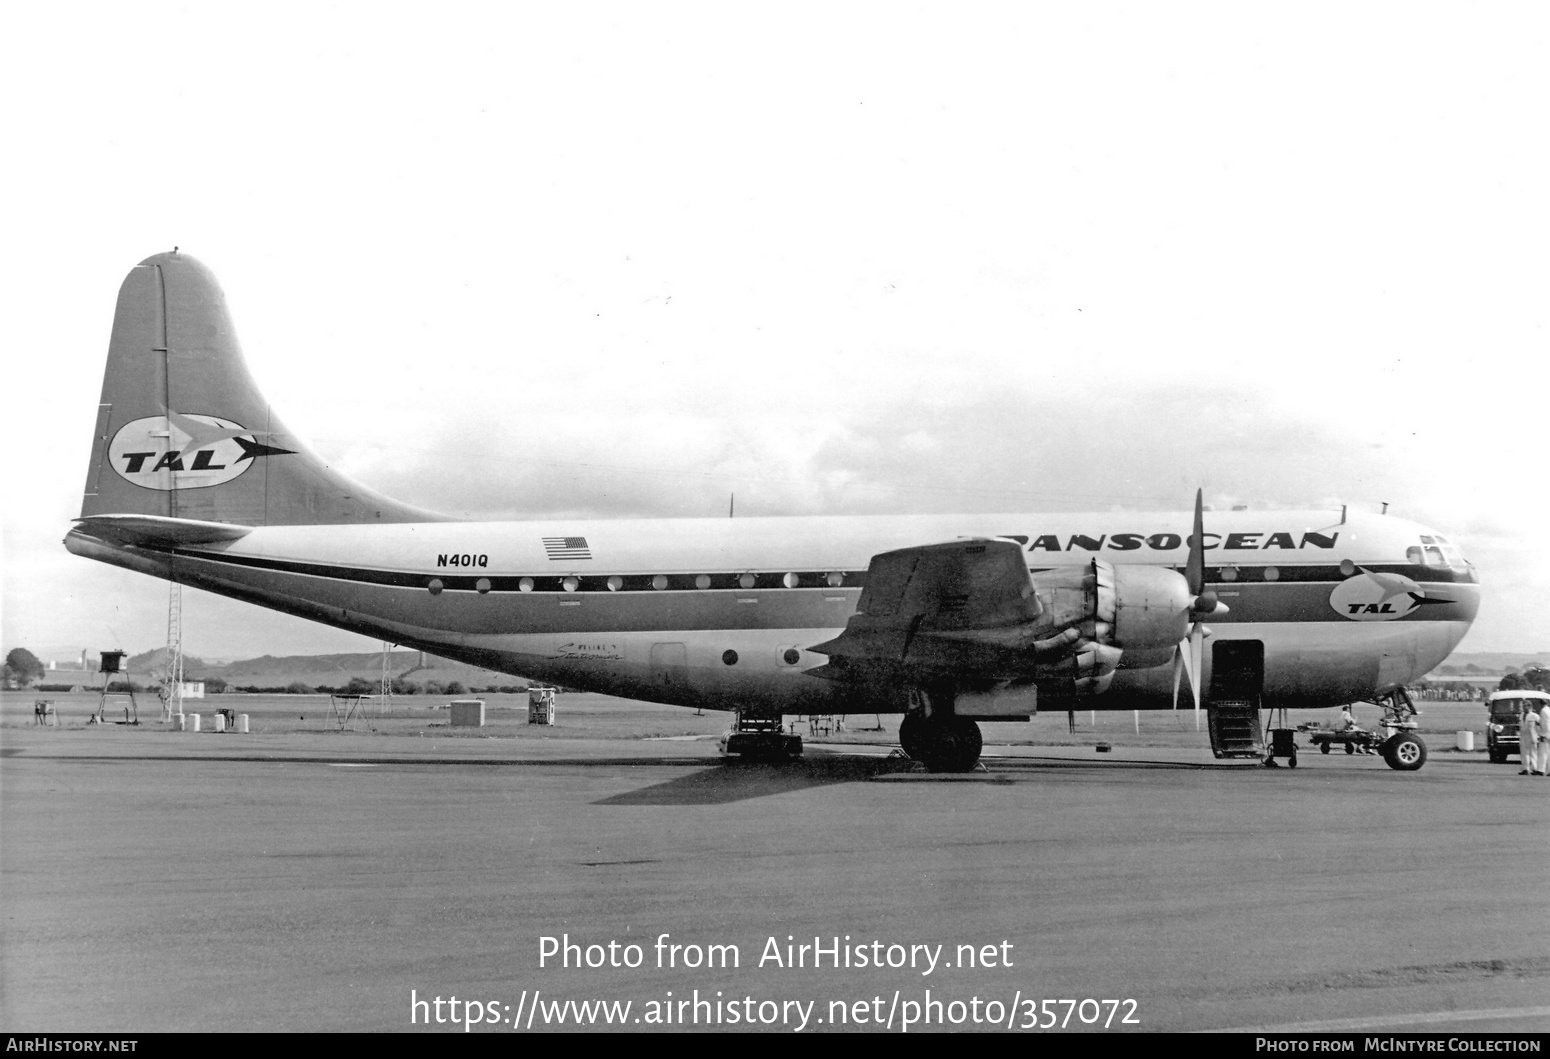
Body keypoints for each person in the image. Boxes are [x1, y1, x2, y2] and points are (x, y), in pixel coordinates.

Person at [1519, 702, 1541, 775]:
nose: (1524, 708)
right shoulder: (1521, 715)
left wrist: (1538, 735)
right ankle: (1525, 769)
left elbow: (1539, 726)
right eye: (1523, 706)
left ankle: (1534, 769)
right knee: (1524, 753)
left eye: (1525, 706)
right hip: (1523, 736)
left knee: (1533, 753)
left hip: (1532, 736)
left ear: (1529, 707)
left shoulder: (1535, 716)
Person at [1539, 701, 1550, 776]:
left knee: (1543, 752)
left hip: (1546, 733)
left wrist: (1544, 734)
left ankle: (1541, 770)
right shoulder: (1549, 710)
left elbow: (1544, 723)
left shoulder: (1543, 711)